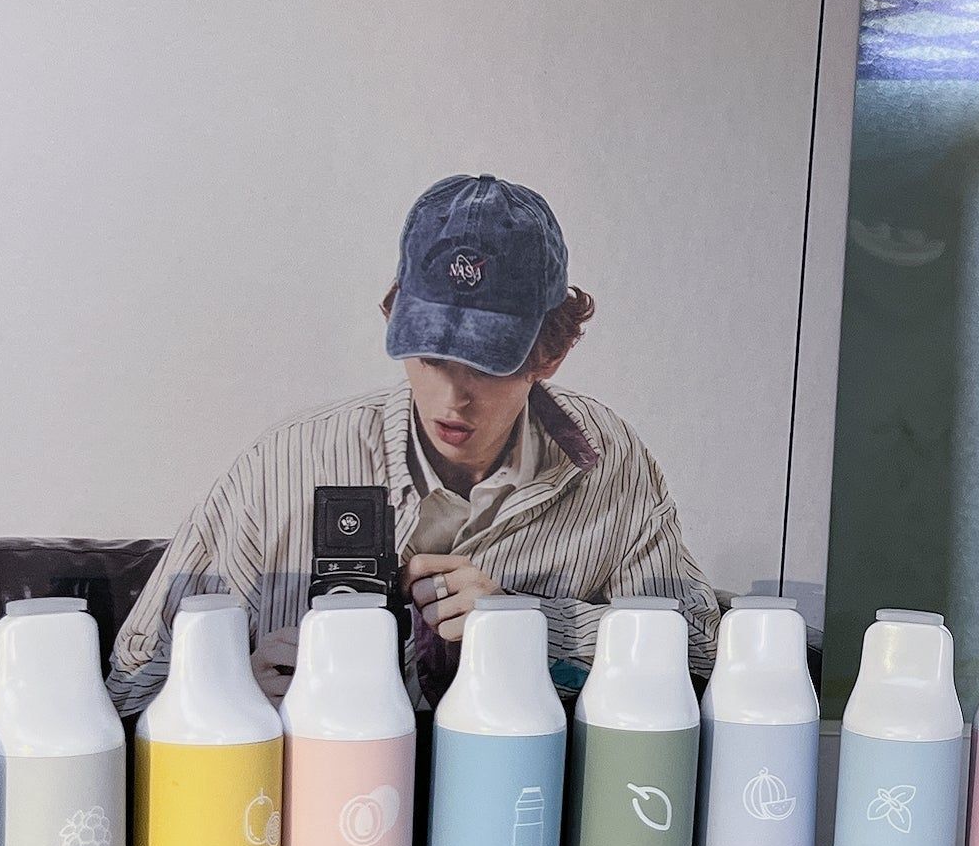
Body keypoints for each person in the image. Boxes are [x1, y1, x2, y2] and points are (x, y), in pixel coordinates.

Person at [106, 173, 718, 711]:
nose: (452, 397)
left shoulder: (609, 462)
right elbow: (132, 684)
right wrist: (235, 692)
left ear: (549, 354)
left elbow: (702, 653)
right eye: (430, 356)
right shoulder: (284, 465)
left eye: (486, 364)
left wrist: (530, 626)